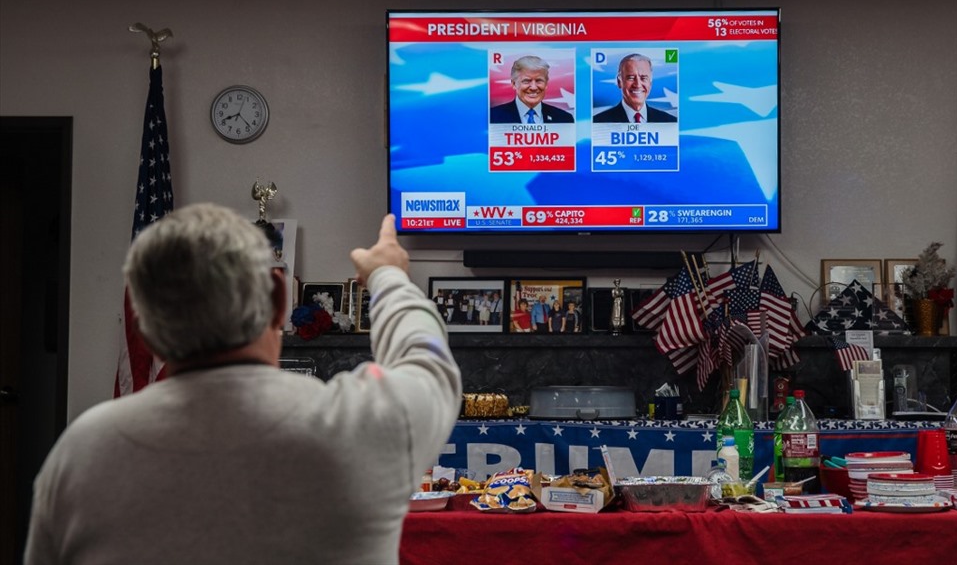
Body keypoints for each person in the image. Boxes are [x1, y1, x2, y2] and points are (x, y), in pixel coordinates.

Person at [24, 204, 462, 565]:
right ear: (278, 299)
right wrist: (389, 278)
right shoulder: (358, 427)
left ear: (141, 328)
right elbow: (429, 365)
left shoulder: (79, 453)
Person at [593, 53, 677, 123]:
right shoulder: (598, 122)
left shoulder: (670, 121)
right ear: (619, 82)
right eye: (631, 78)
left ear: (650, 83)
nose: (637, 84)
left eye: (643, 78)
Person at [490, 55, 574, 124]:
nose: (533, 87)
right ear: (514, 84)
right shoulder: (492, 117)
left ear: (546, 84)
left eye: (539, 80)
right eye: (526, 81)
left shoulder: (564, 119)